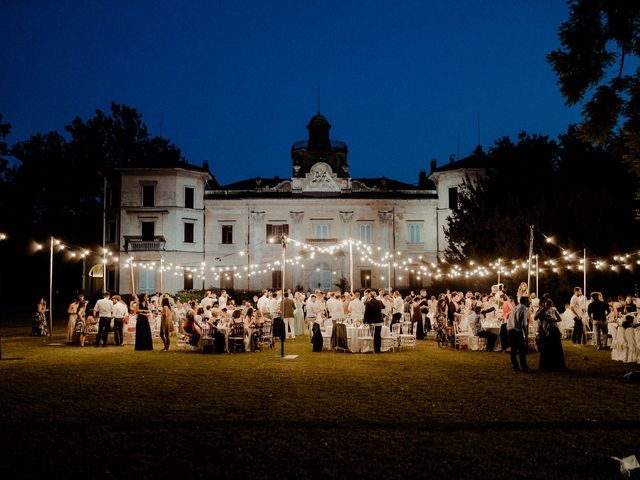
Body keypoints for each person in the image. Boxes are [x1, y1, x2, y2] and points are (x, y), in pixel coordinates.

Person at [536, 297, 567, 371]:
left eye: (549, 304)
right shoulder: (542, 310)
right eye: (547, 304)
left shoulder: (554, 310)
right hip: (545, 329)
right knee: (546, 347)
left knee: (555, 346)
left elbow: (559, 319)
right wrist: (542, 311)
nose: (548, 306)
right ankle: (547, 365)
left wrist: (554, 320)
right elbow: (535, 317)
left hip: (553, 328)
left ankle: (556, 364)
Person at [508, 297, 530, 372]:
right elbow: (524, 323)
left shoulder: (515, 308)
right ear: (526, 301)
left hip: (510, 330)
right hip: (517, 331)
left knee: (513, 350)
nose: (529, 302)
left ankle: (515, 366)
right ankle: (524, 367)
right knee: (522, 350)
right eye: (528, 301)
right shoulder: (524, 309)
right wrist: (526, 335)